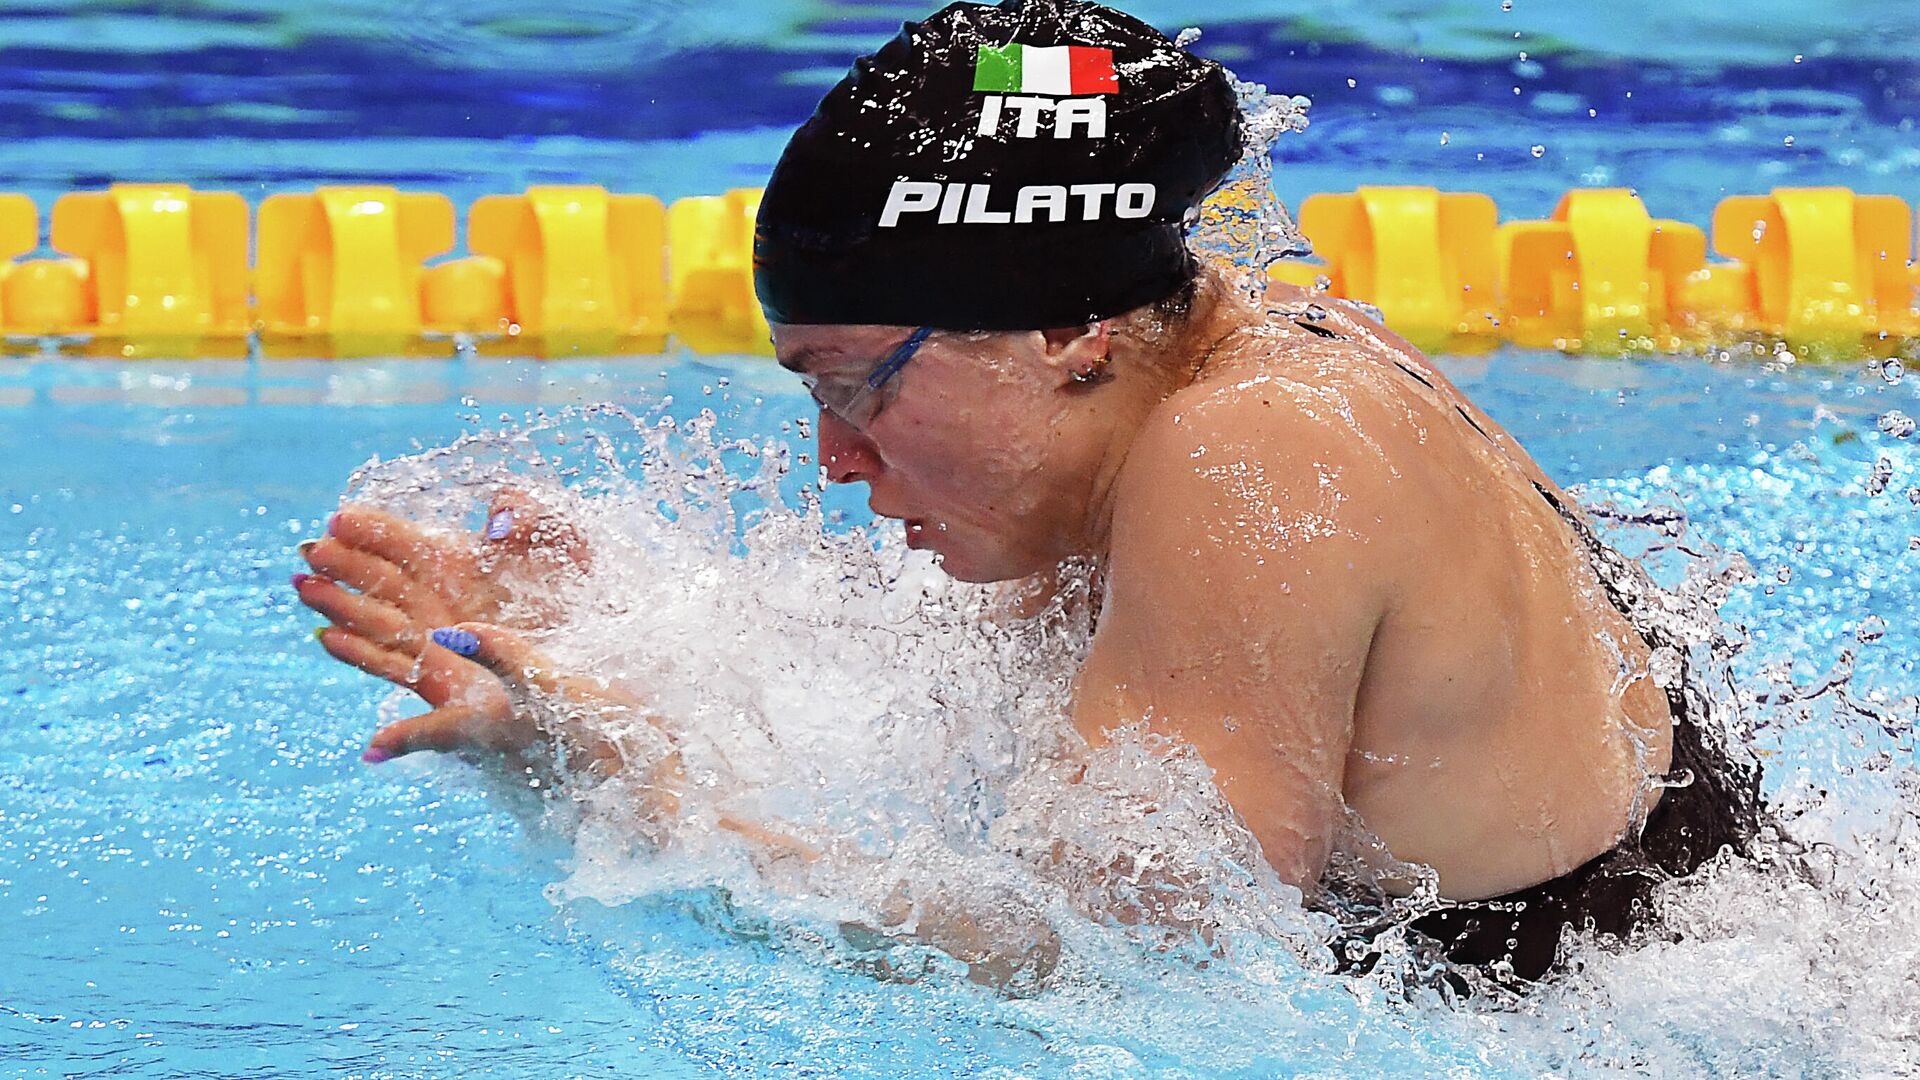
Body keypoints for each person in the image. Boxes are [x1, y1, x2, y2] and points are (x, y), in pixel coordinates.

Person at [295, 0, 1761, 986]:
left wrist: (648, 798)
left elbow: (1138, 967)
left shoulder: (1251, 450)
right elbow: (1024, 760)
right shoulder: (1166, 390)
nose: (836, 458)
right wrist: (608, 648)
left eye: (856, 381)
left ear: (1063, 328)